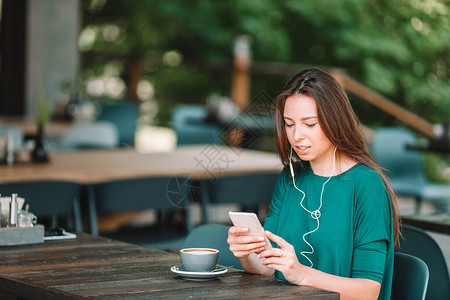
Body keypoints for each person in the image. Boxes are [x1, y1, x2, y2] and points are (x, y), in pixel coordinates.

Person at [227, 67, 400, 300]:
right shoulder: (290, 178)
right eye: (289, 124)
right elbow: (268, 268)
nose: (297, 135)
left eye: (310, 124)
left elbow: (367, 291)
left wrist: (301, 274)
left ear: (335, 121)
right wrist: (247, 254)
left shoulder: (367, 185)